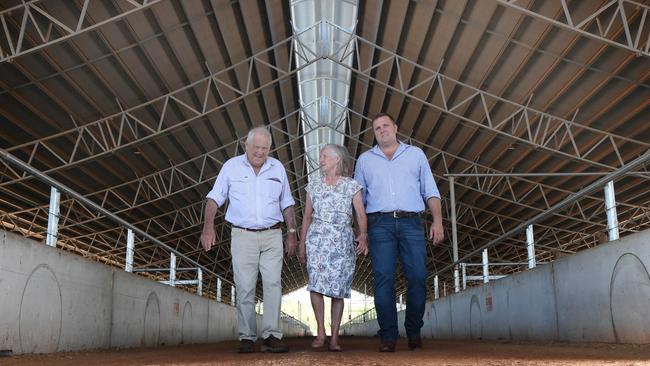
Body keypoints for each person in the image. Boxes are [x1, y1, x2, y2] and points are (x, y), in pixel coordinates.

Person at [200, 126, 297, 353]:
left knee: (273, 284)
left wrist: (292, 233)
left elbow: (287, 203)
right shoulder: (231, 167)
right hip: (242, 235)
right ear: (246, 145)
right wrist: (208, 226)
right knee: (245, 286)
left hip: (273, 234)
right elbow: (215, 199)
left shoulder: (278, 168)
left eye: (265, 148)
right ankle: (247, 336)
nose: (260, 152)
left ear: (270, 148)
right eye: (256, 147)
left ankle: (272, 335)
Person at [354, 113, 444, 352]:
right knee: (383, 279)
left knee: (417, 277)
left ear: (395, 127)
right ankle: (388, 336)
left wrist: (437, 220)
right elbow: (358, 202)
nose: (382, 130)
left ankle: (414, 331)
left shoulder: (415, 155)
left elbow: (431, 190)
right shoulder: (364, 160)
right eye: (377, 128)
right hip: (379, 224)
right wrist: (362, 233)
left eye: (385, 125)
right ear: (374, 133)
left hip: (411, 222)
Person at [298, 144, 368, 352]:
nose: (321, 160)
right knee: (315, 285)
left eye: (325, 156)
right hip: (317, 240)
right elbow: (307, 217)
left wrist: (363, 236)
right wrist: (302, 244)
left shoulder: (351, 185)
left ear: (337, 159)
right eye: (321, 156)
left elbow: (360, 214)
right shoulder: (314, 185)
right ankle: (321, 331)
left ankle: (335, 337)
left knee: (339, 290)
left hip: (342, 241)